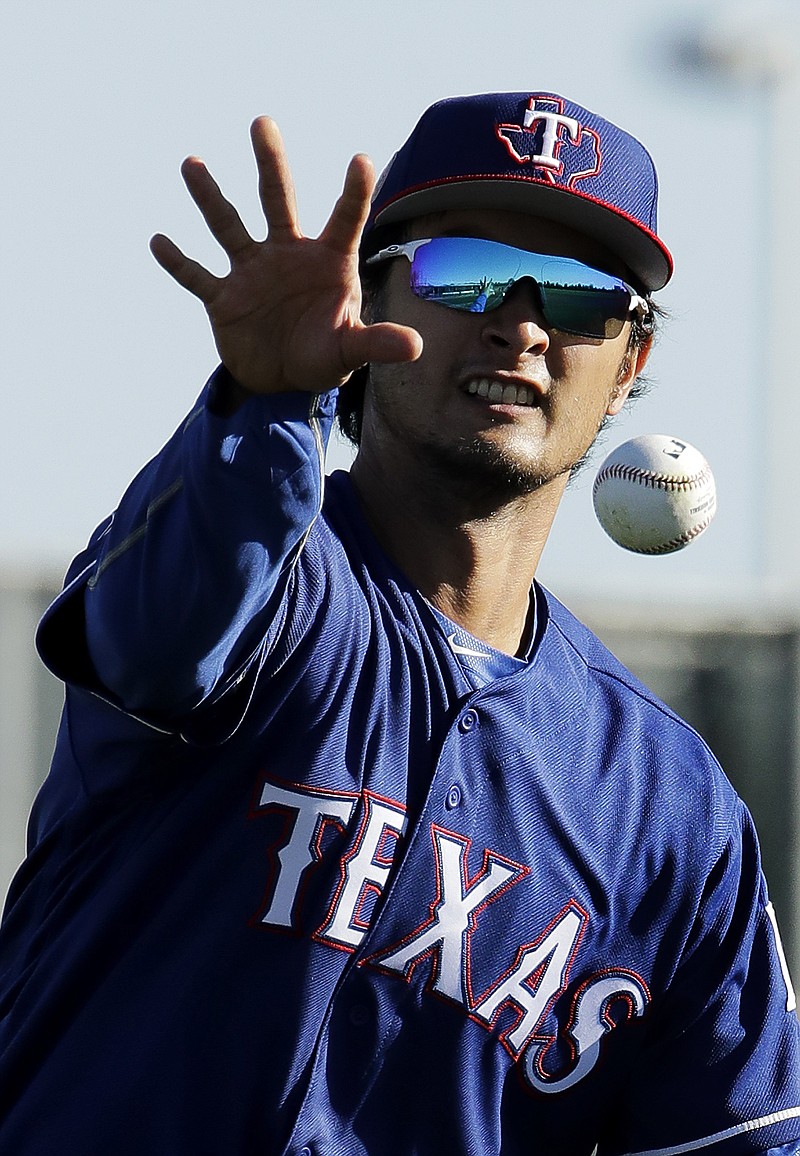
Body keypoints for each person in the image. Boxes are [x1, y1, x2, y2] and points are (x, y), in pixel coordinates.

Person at [0, 90, 798, 1156]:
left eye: (573, 297)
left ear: (628, 367)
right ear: (368, 303)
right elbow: (173, 617)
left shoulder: (670, 809)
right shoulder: (270, 593)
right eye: (461, 269)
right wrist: (263, 405)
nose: (518, 323)